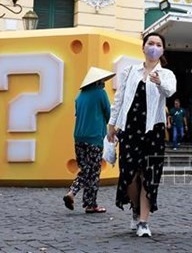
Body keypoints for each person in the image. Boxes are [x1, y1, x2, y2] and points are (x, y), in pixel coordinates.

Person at [107, 32, 177, 237]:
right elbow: (119, 99)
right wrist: (112, 124)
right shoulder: (130, 71)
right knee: (129, 175)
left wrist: (158, 82)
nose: (154, 47)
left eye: (158, 44)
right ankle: (135, 209)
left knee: (149, 176)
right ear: (143, 47)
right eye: (150, 43)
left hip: (152, 131)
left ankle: (144, 222)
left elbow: (170, 92)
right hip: (129, 130)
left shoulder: (166, 74)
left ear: (162, 50)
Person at [63, 67, 115, 213]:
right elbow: (108, 113)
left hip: (79, 137)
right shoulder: (100, 94)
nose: (104, 83)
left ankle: (78, 197)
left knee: (85, 169)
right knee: (93, 172)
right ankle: (86, 202)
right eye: (103, 81)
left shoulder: (80, 97)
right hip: (94, 138)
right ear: (98, 81)